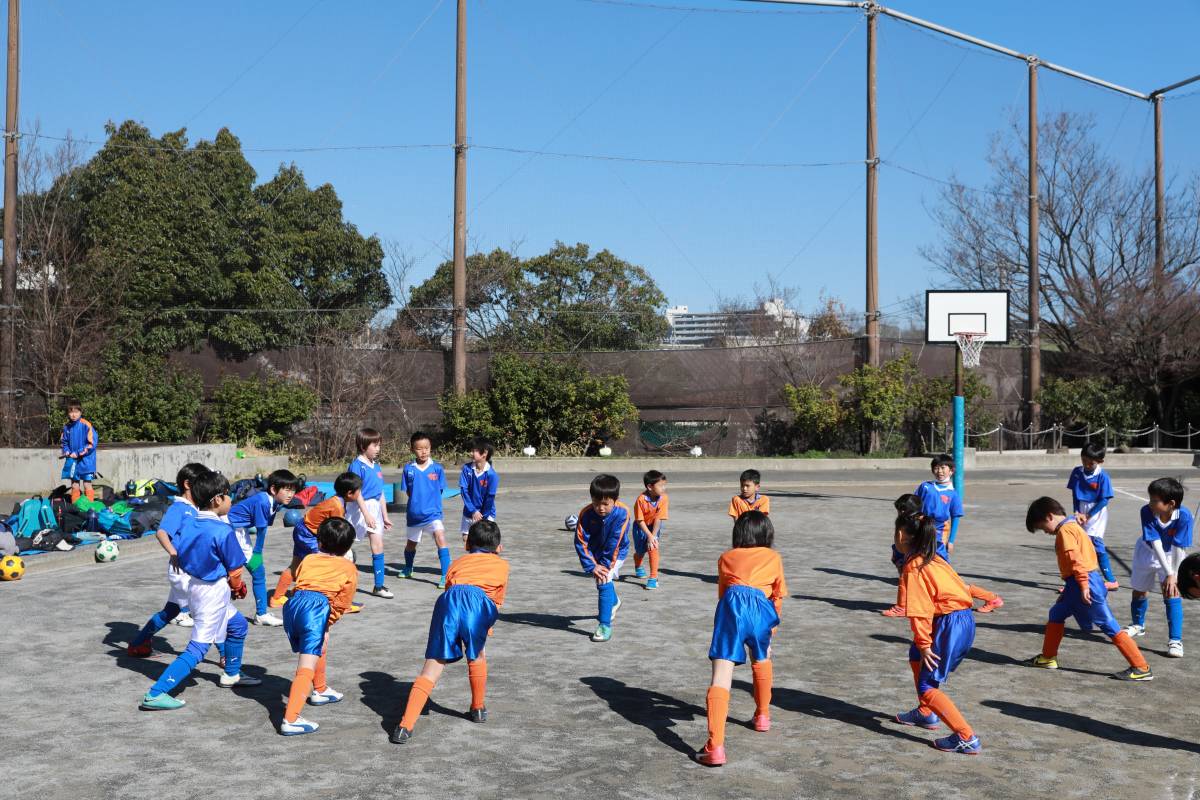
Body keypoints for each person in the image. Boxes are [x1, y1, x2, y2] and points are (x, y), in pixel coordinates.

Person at [139, 471, 262, 710]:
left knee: (238, 625)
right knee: (198, 647)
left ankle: (232, 674)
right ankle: (156, 693)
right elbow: (235, 570)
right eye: (228, 495)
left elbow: (179, 550)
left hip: (196, 587)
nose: (231, 500)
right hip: (212, 593)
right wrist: (238, 587)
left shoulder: (191, 522)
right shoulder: (222, 530)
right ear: (217, 499)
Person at [390, 519, 509, 744]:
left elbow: (449, 587)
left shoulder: (457, 562)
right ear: (499, 548)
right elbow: (496, 601)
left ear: (467, 545)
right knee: (477, 655)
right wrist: (484, 626)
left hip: (448, 602)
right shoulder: (502, 566)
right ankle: (478, 708)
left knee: (432, 666)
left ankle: (405, 726)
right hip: (479, 604)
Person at [1024, 496, 1153, 681]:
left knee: (1108, 624)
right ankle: (1048, 658)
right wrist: (1070, 589)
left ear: (1049, 516)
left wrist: (1084, 585)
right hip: (1078, 583)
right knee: (1057, 613)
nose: (1045, 532)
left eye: (1043, 527)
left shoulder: (1065, 531)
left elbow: (1076, 560)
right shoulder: (1073, 526)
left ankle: (1141, 667)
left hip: (1084, 583)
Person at [694, 510, 787, 767]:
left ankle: (715, 747)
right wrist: (771, 628)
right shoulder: (774, 557)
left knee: (721, 674)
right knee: (762, 658)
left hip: (733, 606)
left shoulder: (726, 557)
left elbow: (723, 593)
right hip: (762, 608)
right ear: (767, 535)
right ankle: (762, 716)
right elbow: (778, 594)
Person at [889, 502, 981, 755]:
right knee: (915, 654)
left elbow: (919, 610)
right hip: (961, 619)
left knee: (927, 686)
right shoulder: (935, 557)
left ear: (901, 535)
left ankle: (966, 737)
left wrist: (925, 643)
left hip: (949, 623)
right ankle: (925, 713)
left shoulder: (913, 567)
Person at [882, 458, 1003, 617]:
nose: (939, 471)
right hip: (919, 537)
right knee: (910, 572)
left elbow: (955, 517)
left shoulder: (953, 494)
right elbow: (913, 504)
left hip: (934, 541)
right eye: (936, 467)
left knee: (943, 579)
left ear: (951, 470)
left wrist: (950, 540)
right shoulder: (925, 487)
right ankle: (903, 606)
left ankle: (991, 598)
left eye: (943, 467)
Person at [279, 517, 359, 736]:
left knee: (318, 647)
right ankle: (290, 719)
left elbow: (300, 580)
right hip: (316, 608)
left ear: (319, 541)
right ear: (348, 547)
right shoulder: (349, 568)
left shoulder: (309, 558)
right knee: (306, 663)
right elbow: (343, 603)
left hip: (293, 604)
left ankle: (320, 689)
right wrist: (328, 620)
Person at [126, 463, 209, 654]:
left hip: (191, 569)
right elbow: (162, 532)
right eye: (202, 483)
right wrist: (173, 553)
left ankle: (138, 644)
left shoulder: (195, 508)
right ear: (187, 484)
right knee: (208, 611)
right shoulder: (179, 508)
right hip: (183, 572)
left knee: (170, 611)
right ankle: (225, 657)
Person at [270, 472, 367, 613]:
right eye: (359, 491)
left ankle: (277, 598)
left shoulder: (336, 501)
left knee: (296, 565)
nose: (360, 493)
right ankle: (340, 604)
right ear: (350, 493)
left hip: (303, 529)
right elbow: (337, 533)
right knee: (326, 566)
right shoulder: (337, 506)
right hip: (309, 535)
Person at [1124, 477, 1192, 658]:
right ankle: (1138, 625)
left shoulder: (1184, 516)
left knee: (1172, 592)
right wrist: (1169, 573)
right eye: (1150, 499)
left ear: (1171, 504)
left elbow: (1178, 547)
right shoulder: (1146, 511)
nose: (1150, 503)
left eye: (1155, 501)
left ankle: (1175, 640)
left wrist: (1173, 574)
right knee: (1139, 590)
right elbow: (1155, 543)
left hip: (1173, 556)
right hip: (1147, 551)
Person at [227, 469, 302, 626]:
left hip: (239, 531)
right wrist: (257, 553)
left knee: (255, 572)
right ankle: (260, 614)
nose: (291, 494)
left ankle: (261, 614)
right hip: (231, 531)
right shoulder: (263, 501)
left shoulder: (273, 502)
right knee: (255, 571)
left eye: (293, 490)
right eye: (287, 490)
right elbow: (261, 530)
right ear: (274, 489)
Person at [574, 474, 632, 643]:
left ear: (615, 500)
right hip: (595, 553)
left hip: (616, 553)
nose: (600, 508)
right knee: (603, 581)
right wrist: (592, 565)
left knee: (603, 580)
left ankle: (604, 625)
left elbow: (615, 542)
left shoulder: (623, 513)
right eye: (596, 503)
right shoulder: (585, 514)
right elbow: (580, 542)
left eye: (605, 504)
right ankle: (614, 601)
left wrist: (604, 567)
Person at [346, 428, 393, 599]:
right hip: (358, 509)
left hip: (374, 508)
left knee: (378, 545)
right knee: (344, 545)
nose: (378, 449)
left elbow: (380, 492)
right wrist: (366, 514)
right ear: (363, 446)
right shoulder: (356, 466)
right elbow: (356, 492)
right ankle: (337, 580)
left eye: (379, 445)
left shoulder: (377, 467)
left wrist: (385, 516)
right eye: (375, 445)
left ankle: (378, 586)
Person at [400, 431, 449, 587]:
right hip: (414, 515)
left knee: (440, 538)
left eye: (426, 448)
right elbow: (408, 491)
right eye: (419, 448)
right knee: (411, 544)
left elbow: (440, 490)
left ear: (430, 448)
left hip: (433, 514)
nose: (424, 451)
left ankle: (446, 575)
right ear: (412, 450)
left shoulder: (437, 469)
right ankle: (408, 568)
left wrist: (431, 504)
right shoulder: (408, 469)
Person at [1067, 442, 1118, 589]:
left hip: (1096, 512)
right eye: (1084, 461)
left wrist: (1088, 516)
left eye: (1091, 463)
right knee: (1077, 545)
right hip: (1081, 510)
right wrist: (1077, 512)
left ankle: (1111, 580)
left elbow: (1104, 501)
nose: (1087, 465)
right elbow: (1075, 495)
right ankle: (1076, 582)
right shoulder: (1077, 472)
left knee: (1095, 544)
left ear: (1100, 461)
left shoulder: (1103, 476)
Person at [632, 470, 669, 590]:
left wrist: (653, 536)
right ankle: (638, 563)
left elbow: (658, 518)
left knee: (653, 547)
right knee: (640, 551)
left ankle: (653, 578)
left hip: (654, 527)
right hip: (640, 527)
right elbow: (639, 520)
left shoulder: (664, 498)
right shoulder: (641, 499)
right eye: (661, 485)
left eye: (665, 485)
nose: (664, 488)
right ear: (650, 487)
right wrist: (648, 535)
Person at [458, 437, 499, 543]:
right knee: (466, 539)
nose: (471, 453)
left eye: (474, 451)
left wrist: (483, 516)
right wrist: (473, 511)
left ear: (484, 453)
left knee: (485, 542)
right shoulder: (466, 469)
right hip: (469, 512)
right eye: (471, 450)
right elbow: (464, 491)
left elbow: (490, 497)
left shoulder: (492, 475)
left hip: (486, 514)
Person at [60, 399, 98, 504]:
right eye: (71, 412)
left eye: (76, 412)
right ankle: (75, 506)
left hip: (86, 461)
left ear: (80, 412)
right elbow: (64, 442)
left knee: (87, 484)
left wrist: (77, 453)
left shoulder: (86, 425)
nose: (73, 414)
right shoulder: (66, 427)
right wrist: (66, 451)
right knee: (74, 484)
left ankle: (89, 507)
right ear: (68, 413)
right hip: (73, 461)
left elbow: (92, 444)